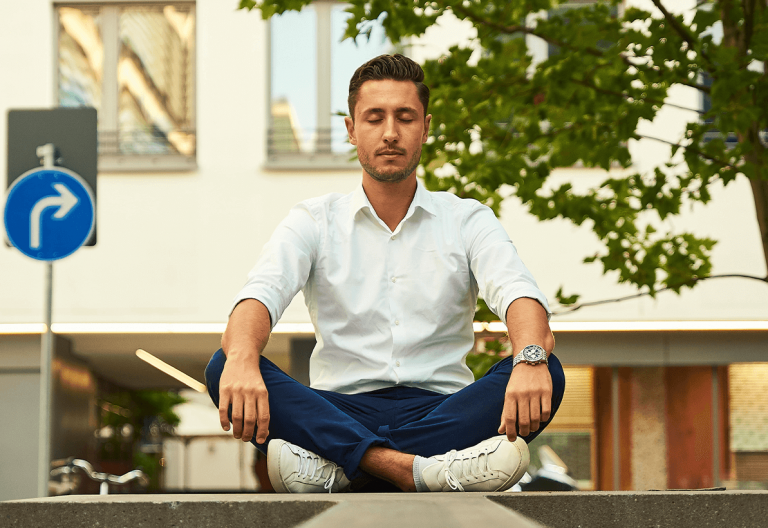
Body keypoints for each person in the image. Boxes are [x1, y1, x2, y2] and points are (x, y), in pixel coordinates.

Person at [205, 54, 565, 493]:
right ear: (351, 129)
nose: (390, 133)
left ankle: (341, 464)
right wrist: (241, 360)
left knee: (549, 370)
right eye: (374, 118)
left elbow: (518, 294)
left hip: (443, 410)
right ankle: (424, 469)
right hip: (340, 409)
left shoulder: (467, 218)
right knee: (224, 363)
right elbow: (259, 296)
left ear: (426, 128)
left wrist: (530, 357)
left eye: (405, 117)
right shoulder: (313, 220)